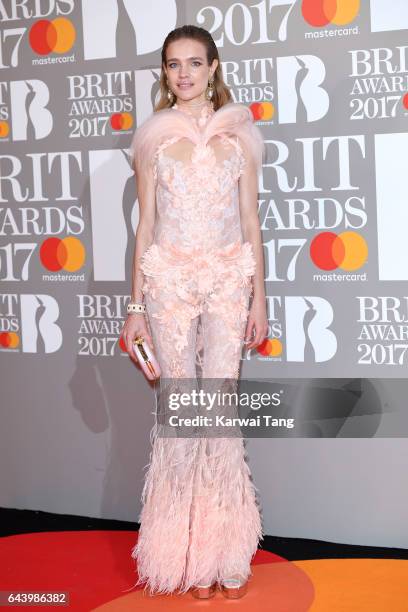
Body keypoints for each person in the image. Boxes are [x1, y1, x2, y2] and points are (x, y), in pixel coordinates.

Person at [121, 24, 268, 599]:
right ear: (165, 72)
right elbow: (147, 226)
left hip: (230, 279)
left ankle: (225, 551)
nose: (183, 73)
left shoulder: (241, 137)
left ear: (213, 68)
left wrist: (261, 297)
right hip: (169, 283)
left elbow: (252, 223)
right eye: (173, 64)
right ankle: (181, 557)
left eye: (194, 63)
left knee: (219, 413)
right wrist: (135, 306)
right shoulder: (154, 138)